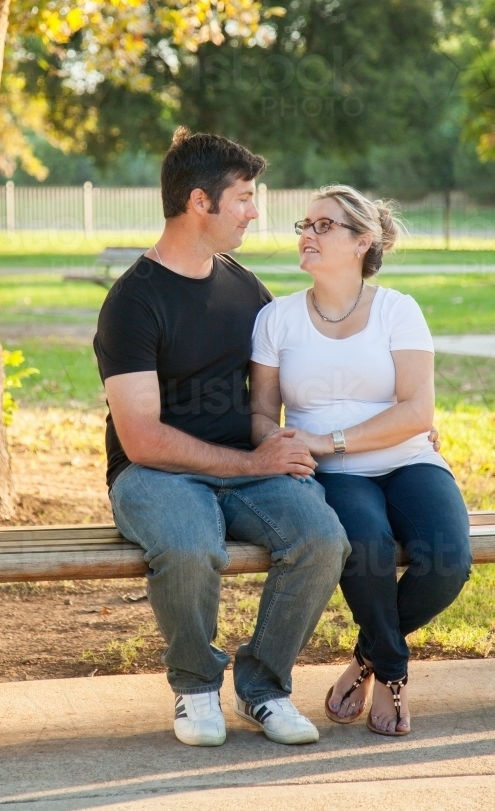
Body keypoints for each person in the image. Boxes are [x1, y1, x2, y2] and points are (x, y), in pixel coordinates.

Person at [93, 128, 350, 748]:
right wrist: (250, 462)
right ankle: (196, 688)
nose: (256, 212)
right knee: (186, 547)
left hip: (244, 465)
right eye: (243, 197)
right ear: (199, 203)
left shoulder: (243, 284)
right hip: (154, 473)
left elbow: (294, 371)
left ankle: (263, 689)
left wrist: (399, 418)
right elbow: (143, 438)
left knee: (321, 539)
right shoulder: (132, 302)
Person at [249, 184, 472, 737]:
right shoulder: (276, 317)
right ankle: (393, 674)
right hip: (334, 476)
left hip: (409, 461)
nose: (307, 234)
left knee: (447, 559)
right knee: (367, 548)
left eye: (324, 225)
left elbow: (418, 410)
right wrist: (287, 446)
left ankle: (367, 659)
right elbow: (259, 415)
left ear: (362, 241)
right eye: (304, 224)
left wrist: (331, 439)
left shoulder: (398, 309)